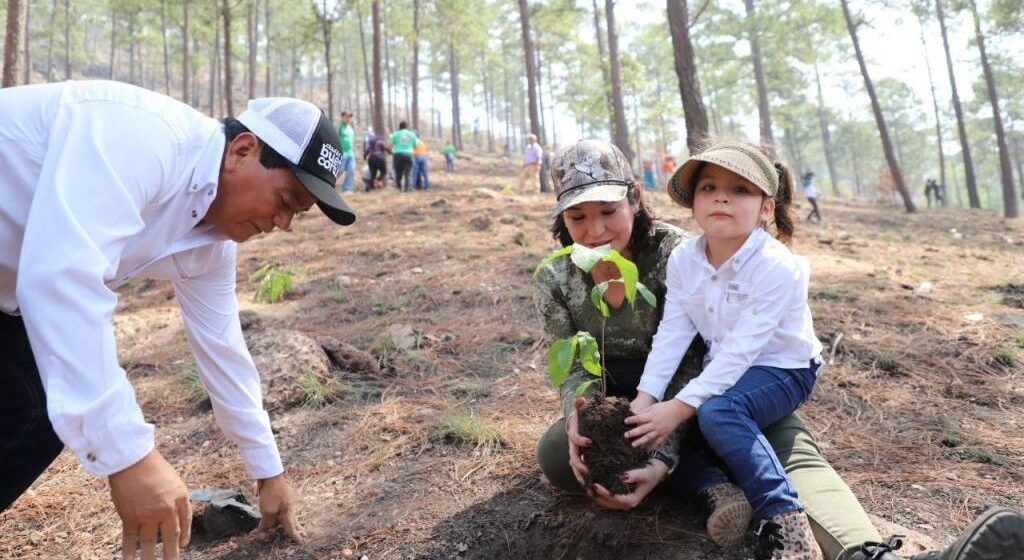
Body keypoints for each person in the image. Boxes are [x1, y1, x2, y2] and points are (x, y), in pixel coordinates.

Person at [532, 138, 1024, 560]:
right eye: (578, 216)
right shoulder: (557, 274)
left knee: (785, 451)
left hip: (726, 382)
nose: (595, 230)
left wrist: (665, 451)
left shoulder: (679, 251)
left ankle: (862, 551)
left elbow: (707, 355)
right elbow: (571, 362)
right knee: (560, 454)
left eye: (608, 211)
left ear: (635, 199)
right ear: (561, 216)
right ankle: (713, 488)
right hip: (648, 403)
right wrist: (580, 415)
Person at [0, 81, 356, 559]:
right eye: (287, 200)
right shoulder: (143, 138)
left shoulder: (210, 241)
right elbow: (62, 279)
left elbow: (222, 347)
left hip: (12, 292)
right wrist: (131, 457)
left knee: (36, 409)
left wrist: (268, 471)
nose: (282, 224)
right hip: (27, 284)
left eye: (296, 214)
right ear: (243, 150)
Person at [630, 139, 823, 555]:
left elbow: (743, 352)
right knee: (676, 425)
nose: (721, 196)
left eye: (739, 190)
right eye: (709, 188)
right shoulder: (684, 259)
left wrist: (680, 406)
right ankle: (717, 491)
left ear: (765, 209)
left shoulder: (777, 266)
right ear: (694, 204)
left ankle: (788, 526)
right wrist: (646, 398)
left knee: (718, 411)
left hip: (784, 368)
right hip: (725, 366)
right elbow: (673, 332)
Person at [389, 121, 418, 192]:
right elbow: (415, 145)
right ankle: (407, 188)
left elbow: (391, 144)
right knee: (408, 173)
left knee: (398, 172)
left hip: (397, 154)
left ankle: (398, 187)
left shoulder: (395, 134)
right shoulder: (412, 134)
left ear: (399, 127)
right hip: (409, 154)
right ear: (407, 127)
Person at [337, 110, 356, 193]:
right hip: (342, 153)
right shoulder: (339, 126)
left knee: (351, 170)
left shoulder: (350, 129)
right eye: (346, 117)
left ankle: (347, 188)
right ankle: (329, 183)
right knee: (339, 170)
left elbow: (352, 141)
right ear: (342, 117)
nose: (348, 118)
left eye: (350, 117)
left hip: (351, 153)